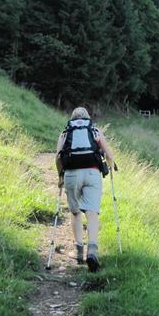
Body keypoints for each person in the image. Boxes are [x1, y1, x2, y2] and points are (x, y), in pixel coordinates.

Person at [56, 107, 114, 272]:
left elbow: (58, 157)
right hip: (92, 173)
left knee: (75, 213)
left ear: (72, 118)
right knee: (92, 213)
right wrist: (109, 167)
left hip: (72, 175)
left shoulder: (65, 133)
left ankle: (79, 251)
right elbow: (109, 155)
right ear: (88, 118)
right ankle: (93, 251)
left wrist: (60, 177)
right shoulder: (94, 130)